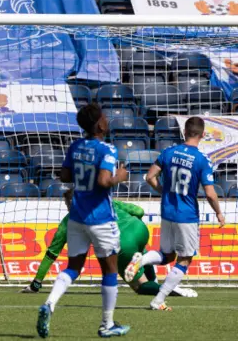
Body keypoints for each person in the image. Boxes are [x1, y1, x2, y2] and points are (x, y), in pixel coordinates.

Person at [36, 103, 130, 338]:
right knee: (109, 270)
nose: (107, 120)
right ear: (99, 124)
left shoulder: (75, 146)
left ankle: (49, 303)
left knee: (73, 267)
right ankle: (107, 325)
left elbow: (65, 175)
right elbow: (104, 181)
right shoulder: (107, 149)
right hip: (100, 219)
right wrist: (120, 176)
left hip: (77, 216)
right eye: (105, 118)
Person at [125, 117, 225, 311]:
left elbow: (149, 177)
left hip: (167, 211)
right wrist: (219, 213)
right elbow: (211, 193)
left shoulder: (168, 152)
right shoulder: (202, 160)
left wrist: (163, 190)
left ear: (184, 132)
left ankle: (142, 259)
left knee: (166, 254)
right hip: (186, 215)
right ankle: (158, 300)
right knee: (185, 259)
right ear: (203, 135)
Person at [21, 190, 197, 298]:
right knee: (139, 252)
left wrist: (36, 283)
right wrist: (130, 225)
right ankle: (149, 272)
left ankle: (168, 289)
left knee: (139, 286)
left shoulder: (70, 220)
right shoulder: (107, 202)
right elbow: (139, 210)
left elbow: (52, 253)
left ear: (70, 204)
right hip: (141, 229)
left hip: (121, 243)